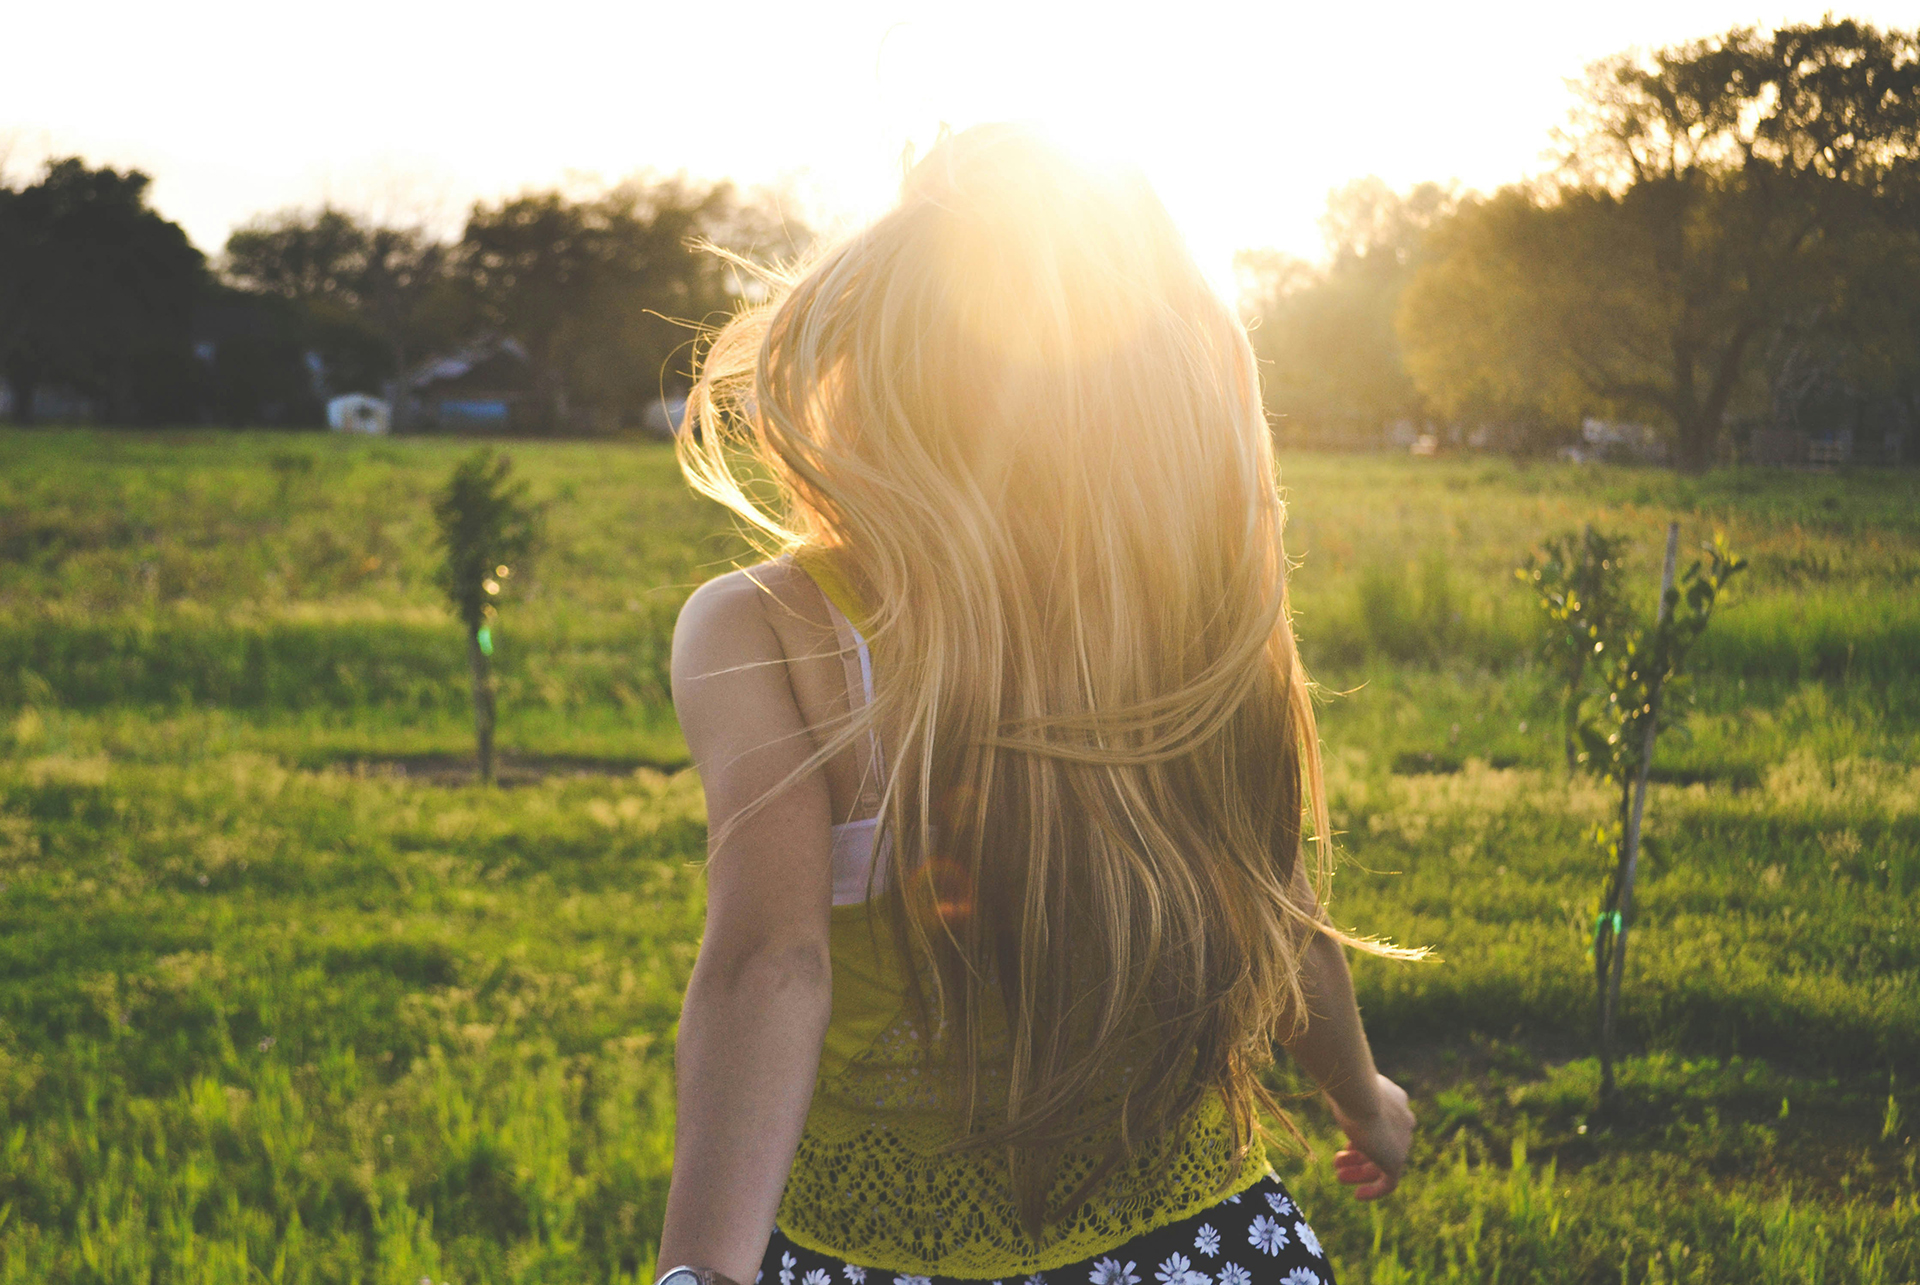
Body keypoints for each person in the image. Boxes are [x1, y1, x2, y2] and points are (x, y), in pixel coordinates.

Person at [660, 124, 1418, 1285]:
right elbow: (1276, 897)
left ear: (870, 363)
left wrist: (699, 1273)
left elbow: (772, 963)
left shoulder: (770, 627)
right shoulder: (1189, 617)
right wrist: (1362, 1097)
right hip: (1201, 1248)